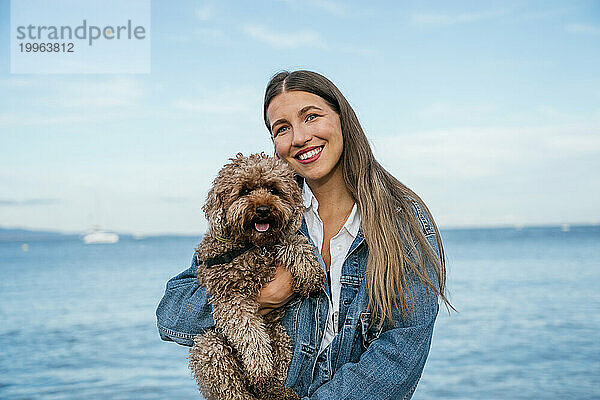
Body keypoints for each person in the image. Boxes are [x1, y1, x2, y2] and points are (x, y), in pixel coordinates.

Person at [156, 70, 451, 399]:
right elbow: (171, 314)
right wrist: (257, 300)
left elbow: (401, 353)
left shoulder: (402, 220)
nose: (299, 137)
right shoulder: (258, 220)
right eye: (282, 128)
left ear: (342, 120)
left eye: (311, 116)